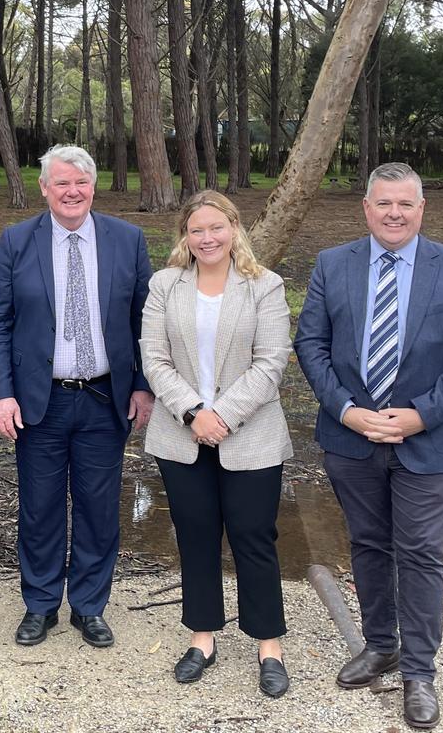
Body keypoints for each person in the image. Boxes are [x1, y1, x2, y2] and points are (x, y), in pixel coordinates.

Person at [294, 163, 443, 729]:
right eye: (383, 203)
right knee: (368, 544)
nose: (394, 213)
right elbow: (310, 343)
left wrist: (420, 416)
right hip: (350, 438)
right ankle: (380, 645)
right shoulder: (334, 265)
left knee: (422, 554)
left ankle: (419, 671)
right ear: (366, 208)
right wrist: (348, 412)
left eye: (405, 204)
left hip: (428, 442)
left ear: (421, 208)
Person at [0, 144, 154, 648]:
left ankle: (89, 606)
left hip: (106, 398)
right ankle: (39, 605)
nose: (72, 191)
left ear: (93, 187)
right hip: (41, 401)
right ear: (44, 189)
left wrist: (143, 386)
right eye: (61, 183)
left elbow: (145, 321)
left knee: (99, 509)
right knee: (40, 508)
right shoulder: (17, 240)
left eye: (80, 182)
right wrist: (0, 394)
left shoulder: (127, 239)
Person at [139, 190, 293, 694]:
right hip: (181, 436)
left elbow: (271, 363)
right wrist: (192, 413)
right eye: (196, 229)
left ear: (234, 229)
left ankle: (268, 645)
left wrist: (219, 416)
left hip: (250, 435)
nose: (207, 238)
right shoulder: (164, 285)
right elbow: (154, 359)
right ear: (185, 235)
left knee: (254, 537)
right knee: (196, 535)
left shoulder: (264, 287)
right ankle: (201, 637)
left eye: (216, 228)